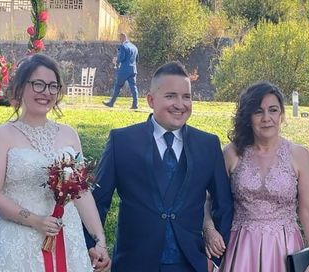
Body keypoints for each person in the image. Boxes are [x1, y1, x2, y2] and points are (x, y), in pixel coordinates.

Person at [89, 61, 234, 271]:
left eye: (186, 97)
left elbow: (224, 204)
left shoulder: (208, 144)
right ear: (150, 100)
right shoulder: (122, 141)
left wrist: (216, 258)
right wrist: (94, 245)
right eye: (170, 96)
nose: (180, 104)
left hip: (190, 263)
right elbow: (98, 202)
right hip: (134, 262)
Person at [0, 54, 110, 272]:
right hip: (19, 237)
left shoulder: (69, 135)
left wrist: (99, 240)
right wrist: (34, 220)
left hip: (67, 237)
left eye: (53, 86)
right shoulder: (2, 135)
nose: (46, 92)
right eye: (38, 84)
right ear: (21, 87)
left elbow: (82, 193)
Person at [203, 82, 309, 272]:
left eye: (273, 110)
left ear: (282, 115)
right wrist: (209, 229)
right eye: (258, 111)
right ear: (248, 117)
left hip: (284, 248)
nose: (266, 118)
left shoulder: (300, 155)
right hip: (241, 248)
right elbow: (208, 200)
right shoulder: (231, 153)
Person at [102, 32, 138, 109]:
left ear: (123, 38)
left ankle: (111, 103)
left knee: (118, 85)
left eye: (120, 38)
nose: (120, 40)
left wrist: (116, 61)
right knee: (133, 87)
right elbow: (137, 59)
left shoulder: (123, 46)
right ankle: (135, 104)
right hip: (133, 69)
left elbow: (122, 58)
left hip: (124, 69)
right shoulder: (134, 47)